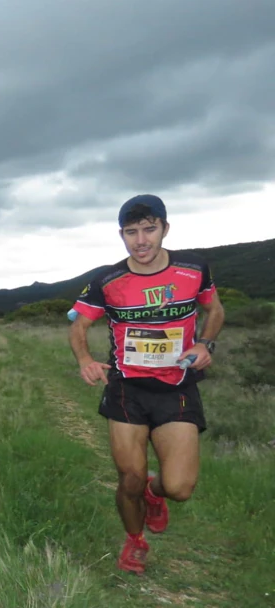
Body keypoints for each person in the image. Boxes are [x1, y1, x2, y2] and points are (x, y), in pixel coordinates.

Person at [68, 194, 224, 575]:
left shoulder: (194, 269)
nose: (140, 240)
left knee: (179, 487)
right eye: (131, 232)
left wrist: (205, 343)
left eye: (149, 229)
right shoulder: (108, 280)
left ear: (165, 229)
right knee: (130, 477)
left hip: (177, 388)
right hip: (127, 388)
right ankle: (134, 540)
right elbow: (79, 324)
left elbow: (214, 309)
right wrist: (85, 360)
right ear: (121, 235)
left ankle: (157, 495)